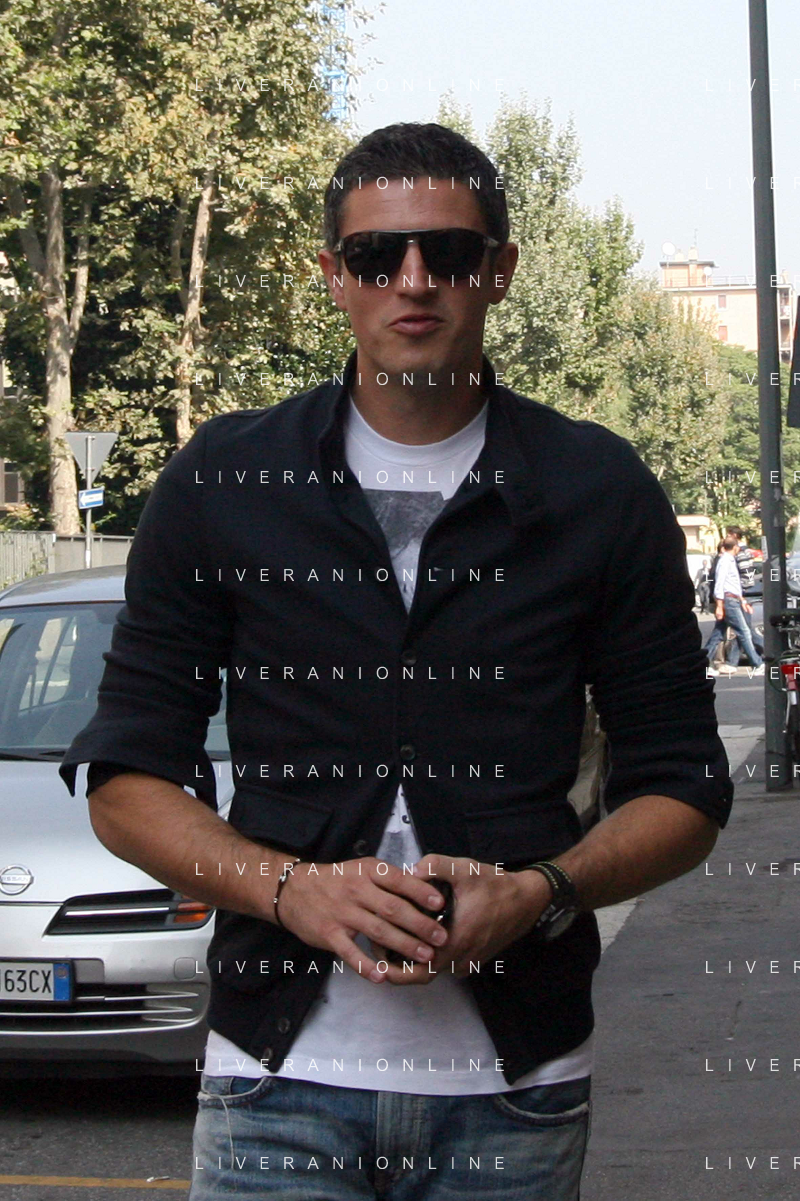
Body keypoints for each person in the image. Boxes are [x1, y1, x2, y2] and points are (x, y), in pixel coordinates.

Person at [59, 122, 732, 1201]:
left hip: (515, 1089)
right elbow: (126, 778)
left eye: (448, 252)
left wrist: (543, 891)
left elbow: (685, 787)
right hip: (275, 1085)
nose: (412, 281)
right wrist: (290, 892)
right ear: (334, 275)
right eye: (376, 256)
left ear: (499, 270)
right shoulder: (223, 482)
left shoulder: (597, 491)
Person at [704, 535, 764, 677]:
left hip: (732, 599)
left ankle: (703, 663)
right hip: (729, 600)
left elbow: (734, 585)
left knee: (718, 634)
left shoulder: (729, 560)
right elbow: (720, 584)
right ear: (735, 547)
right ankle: (757, 663)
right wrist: (720, 605)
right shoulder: (725, 561)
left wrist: (742, 601)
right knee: (743, 632)